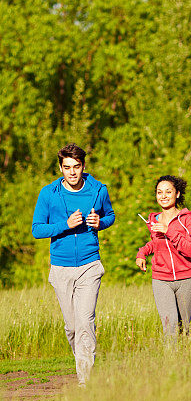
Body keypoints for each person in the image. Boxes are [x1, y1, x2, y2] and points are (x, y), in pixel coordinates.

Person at [32, 144, 115, 386]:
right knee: (72, 326)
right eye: (67, 168)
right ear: (60, 168)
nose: (72, 172)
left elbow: (110, 215)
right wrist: (65, 225)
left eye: (76, 167)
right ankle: (82, 357)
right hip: (61, 267)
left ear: (83, 166)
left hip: (90, 264)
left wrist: (100, 222)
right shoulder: (48, 193)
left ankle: (85, 380)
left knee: (85, 321)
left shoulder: (98, 190)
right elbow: (37, 230)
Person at [136, 175, 191, 337]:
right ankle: (169, 360)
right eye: (159, 192)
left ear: (177, 194)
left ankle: (184, 360)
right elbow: (156, 244)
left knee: (183, 328)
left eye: (168, 192)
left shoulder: (187, 219)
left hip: (187, 280)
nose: (163, 196)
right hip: (161, 279)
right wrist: (142, 252)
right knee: (169, 326)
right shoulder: (153, 220)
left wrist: (168, 231)